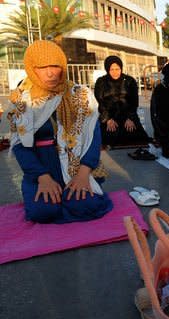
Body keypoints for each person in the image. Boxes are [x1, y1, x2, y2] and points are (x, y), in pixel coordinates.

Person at [7, 40, 113, 223]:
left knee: (85, 206)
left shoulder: (80, 96)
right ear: (32, 68)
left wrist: (83, 174)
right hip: (40, 169)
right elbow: (20, 146)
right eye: (42, 67)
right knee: (43, 212)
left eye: (55, 66)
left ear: (63, 66)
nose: (50, 73)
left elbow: (93, 138)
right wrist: (42, 177)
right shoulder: (21, 100)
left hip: (76, 168)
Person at [94, 55, 149, 147]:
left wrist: (130, 118)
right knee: (109, 137)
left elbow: (134, 102)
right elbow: (100, 102)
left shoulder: (129, 81)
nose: (115, 72)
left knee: (135, 137)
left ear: (121, 68)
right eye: (112, 69)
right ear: (107, 69)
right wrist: (107, 119)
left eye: (117, 69)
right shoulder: (101, 82)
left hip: (127, 115)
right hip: (109, 116)